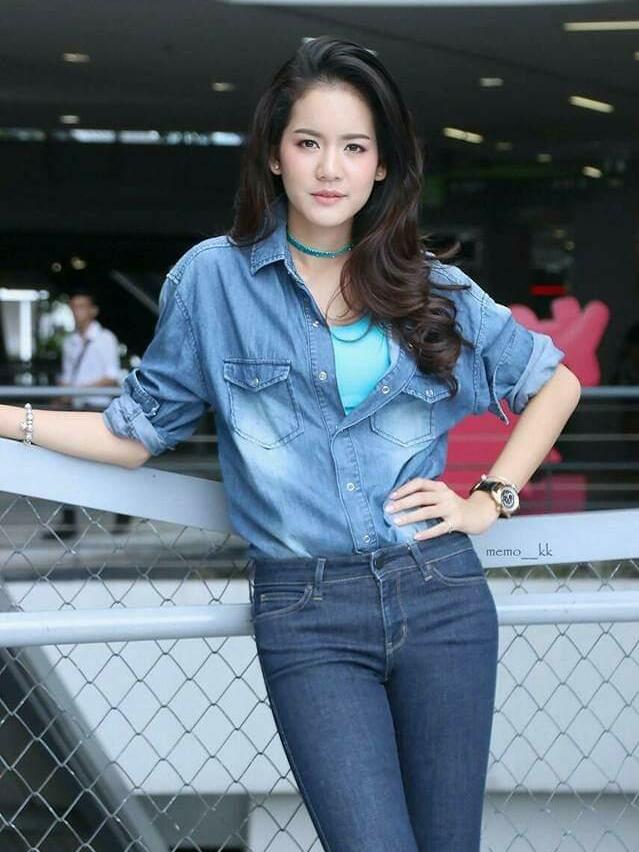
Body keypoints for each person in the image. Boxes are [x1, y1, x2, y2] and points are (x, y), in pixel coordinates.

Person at [1, 36, 581, 852]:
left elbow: (553, 383)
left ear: (383, 165)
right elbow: (133, 433)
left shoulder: (428, 284)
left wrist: (490, 497)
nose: (330, 168)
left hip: (439, 594)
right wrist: (8, 419)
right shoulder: (213, 280)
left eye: (354, 147)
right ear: (274, 155)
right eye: (308, 143)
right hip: (306, 613)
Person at [45, 287, 130, 539]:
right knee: (65, 463)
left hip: (97, 408)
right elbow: (67, 375)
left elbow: (111, 376)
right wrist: (65, 389)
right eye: (73, 307)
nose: (76, 312)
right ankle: (69, 522)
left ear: (93, 311)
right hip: (75, 408)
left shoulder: (105, 339)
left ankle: (122, 513)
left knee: (106, 463)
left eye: (81, 307)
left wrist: (78, 388)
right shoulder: (70, 342)